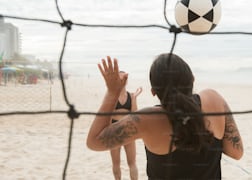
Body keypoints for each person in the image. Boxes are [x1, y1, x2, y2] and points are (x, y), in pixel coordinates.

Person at [87, 54, 243, 179]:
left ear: (154, 91)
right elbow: (237, 153)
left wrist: (112, 92)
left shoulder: (147, 119)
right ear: (192, 80)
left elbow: (94, 142)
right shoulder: (214, 98)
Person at [110, 71, 142, 180]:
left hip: (128, 131)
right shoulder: (112, 95)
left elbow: (135, 115)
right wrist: (126, 114)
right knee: (116, 163)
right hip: (113, 132)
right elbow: (109, 114)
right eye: (119, 79)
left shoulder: (131, 96)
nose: (122, 81)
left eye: (124, 78)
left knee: (132, 163)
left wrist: (134, 98)